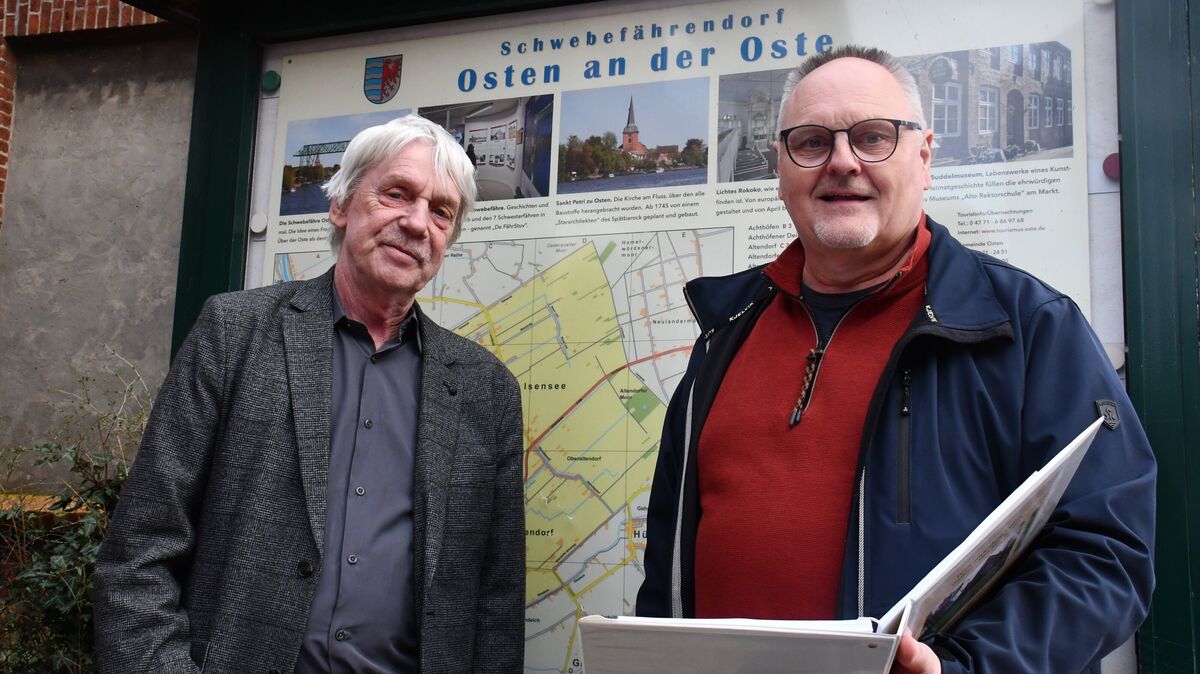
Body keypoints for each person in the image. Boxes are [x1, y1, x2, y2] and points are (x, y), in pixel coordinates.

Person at [636, 45, 1155, 674]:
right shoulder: (725, 333)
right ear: (781, 166)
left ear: (925, 156)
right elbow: (667, 563)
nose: (843, 163)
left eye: (873, 137)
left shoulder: (1028, 331)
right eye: (811, 142)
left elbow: (1103, 556)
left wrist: (965, 667)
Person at [94, 115, 525, 674]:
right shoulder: (236, 333)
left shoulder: (485, 389)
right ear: (342, 206)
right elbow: (140, 552)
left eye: (441, 211)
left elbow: (496, 601)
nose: (417, 223)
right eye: (397, 194)